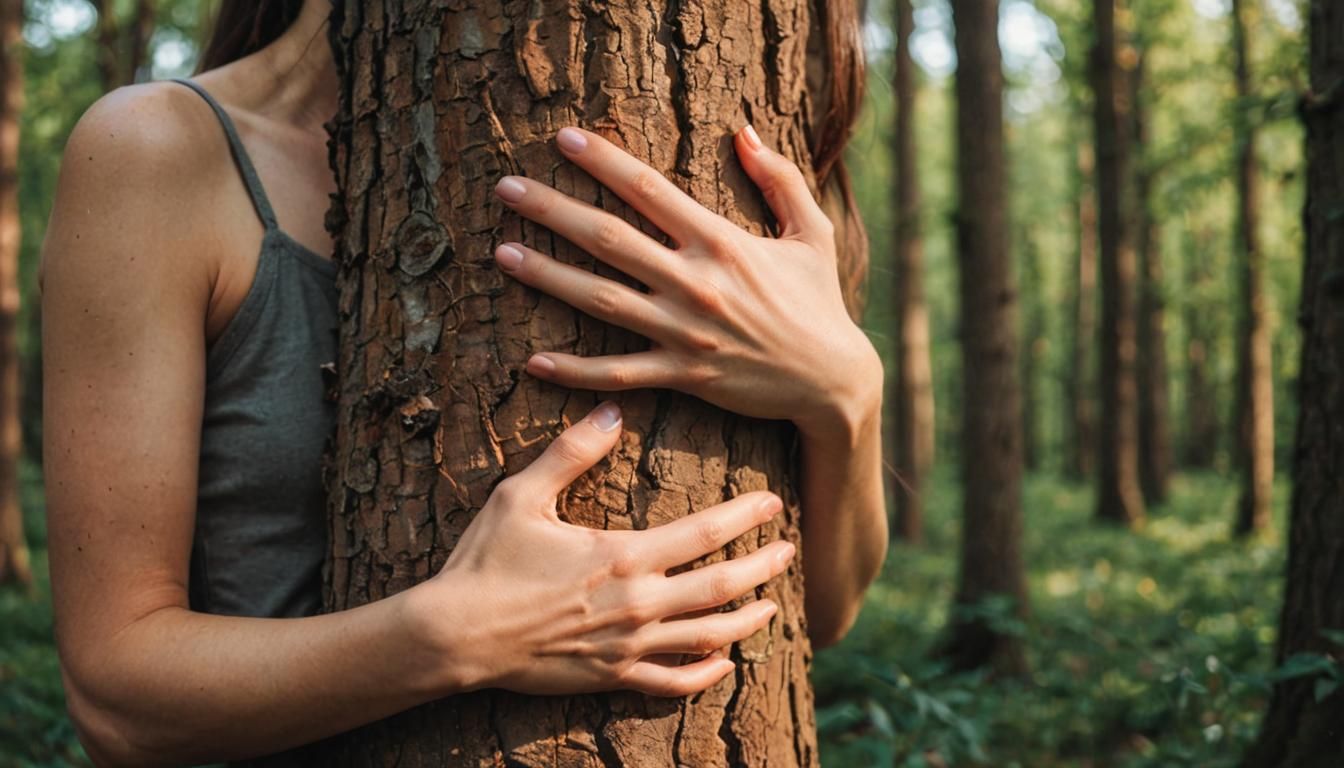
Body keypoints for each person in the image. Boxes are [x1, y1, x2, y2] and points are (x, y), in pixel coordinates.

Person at [38, 1, 887, 765]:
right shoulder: (160, 153)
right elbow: (118, 702)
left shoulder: (742, 164)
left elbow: (819, 609)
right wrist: (453, 636)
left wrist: (846, 392)